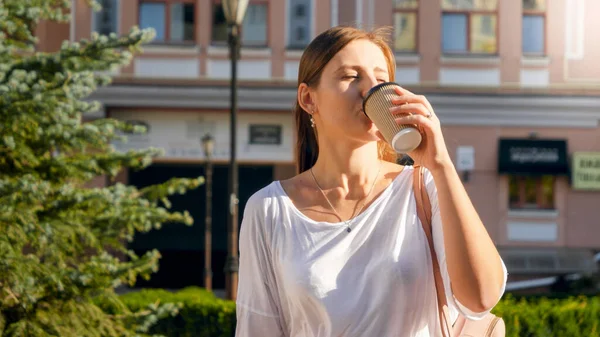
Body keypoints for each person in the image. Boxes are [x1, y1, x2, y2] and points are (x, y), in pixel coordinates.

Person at [235, 25, 508, 337]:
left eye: (381, 79)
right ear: (308, 99)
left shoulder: (423, 187)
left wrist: (441, 164)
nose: (370, 90)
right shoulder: (269, 210)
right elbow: (258, 329)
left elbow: (480, 300)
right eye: (352, 77)